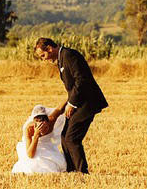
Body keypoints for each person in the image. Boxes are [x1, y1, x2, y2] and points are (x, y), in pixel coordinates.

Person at [34, 38, 108, 174]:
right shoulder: (62, 58)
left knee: (72, 138)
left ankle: (82, 173)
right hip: (78, 102)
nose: (43, 59)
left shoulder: (69, 55)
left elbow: (81, 80)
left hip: (86, 103)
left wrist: (72, 104)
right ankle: (71, 171)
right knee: (64, 136)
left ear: (50, 48)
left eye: (43, 55)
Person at [12, 105, 66, 173]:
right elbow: (30, 155)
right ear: (35, 125)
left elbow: (59, 109)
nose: (43, 130)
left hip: (48, 148)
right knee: (31, 166)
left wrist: (71, 103)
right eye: (41, 128)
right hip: (31, 146)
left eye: (46, 127)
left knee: (60, 163)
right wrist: (36, 135)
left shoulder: (51, 120)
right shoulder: (29, 129)